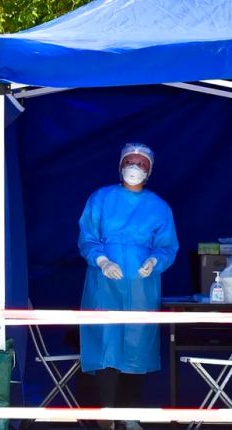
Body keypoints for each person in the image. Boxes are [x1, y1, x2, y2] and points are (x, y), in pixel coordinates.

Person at [78, 143, 178, 430]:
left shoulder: (159, 207)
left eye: (141, 163)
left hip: (141, 285)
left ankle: (130, 413)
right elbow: (88, 236)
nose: (135, 167)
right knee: (107, 344)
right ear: (121, 164)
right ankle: (108, 413)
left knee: (137, 347)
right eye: (130, 161)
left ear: (149, 170)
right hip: (104, 282)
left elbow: (167, 246)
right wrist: (101, 260)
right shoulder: (101, 198)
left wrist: (153, 262)